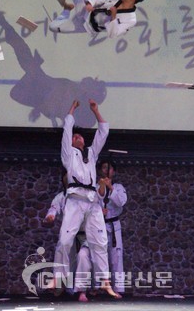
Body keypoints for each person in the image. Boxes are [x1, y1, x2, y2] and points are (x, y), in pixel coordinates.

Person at [51, 99, 121, 299]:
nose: (77, 136)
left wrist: (96, 111)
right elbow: (66, 131)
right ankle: (58, 277)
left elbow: (103, 132)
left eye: (80, 135)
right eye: (75, 136)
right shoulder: (68, 155)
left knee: (100, 241)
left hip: (92, 201)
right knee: (65, 240)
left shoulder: (91, 153)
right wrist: (71, 110)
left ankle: (105, 283)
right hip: (74, 200)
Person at [97, 159, 127, 296]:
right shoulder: (94, 186)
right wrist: (98, 211)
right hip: (98, 225)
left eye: (108, 168)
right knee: (97, 256)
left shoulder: (118, 187)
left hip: (114, 225)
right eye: (103, 167)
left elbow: (121, 202)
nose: (106, 170)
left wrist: (111, 188)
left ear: (113, 172)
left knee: (116, 257)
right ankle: (95, 287)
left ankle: (118, 288)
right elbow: (90, 205)